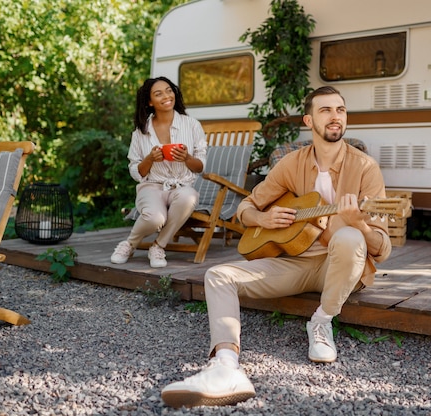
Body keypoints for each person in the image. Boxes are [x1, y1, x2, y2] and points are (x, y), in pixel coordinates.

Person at [160, 86, 392, 408]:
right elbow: (246, 208)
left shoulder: (365, 168)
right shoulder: (291, 164)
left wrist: (360, 222)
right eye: (326, 110)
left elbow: (382, 247)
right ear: (309, 120)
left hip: (338, 268)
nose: (335, 116)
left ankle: (322, 322)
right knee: (217, 275)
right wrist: (265, 219)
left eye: (340, 110)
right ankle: (226, 365)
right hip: (293, 262)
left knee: (350, 237)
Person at [110, 77, 207, 267]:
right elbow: (135, 170)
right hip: (151, 186)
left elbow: (200, 166)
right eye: (158, 93)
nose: (166, 96)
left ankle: (158, 246)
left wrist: (186, 158)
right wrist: (150, 159)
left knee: (189, 197)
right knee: (155, 218)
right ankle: (129, 244)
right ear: (149, 102)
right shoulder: (141, 132)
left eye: (169, 90)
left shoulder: (192, 124)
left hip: (181, 186)